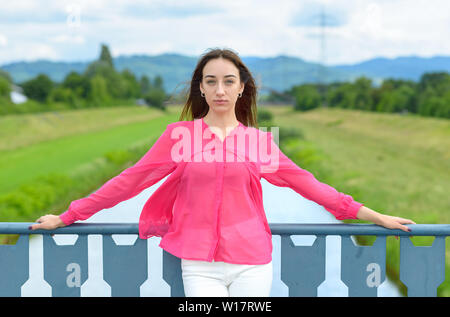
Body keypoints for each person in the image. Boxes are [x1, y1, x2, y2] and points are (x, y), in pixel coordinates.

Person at [29, 47, 415, 297]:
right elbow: (130, 181)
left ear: (242, 88)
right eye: (211, 81)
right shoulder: (179, 136)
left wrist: (373, 216)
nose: (220, 90)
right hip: (198, 264)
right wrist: (69, 215)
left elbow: (311, 186)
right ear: (200, 88)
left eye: (229, 81)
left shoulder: (259, 142)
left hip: (252, 262)